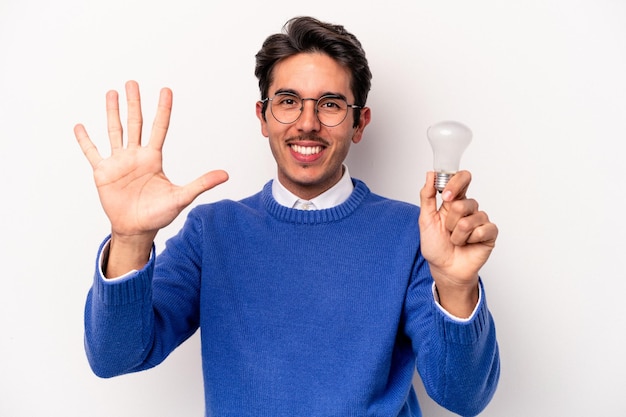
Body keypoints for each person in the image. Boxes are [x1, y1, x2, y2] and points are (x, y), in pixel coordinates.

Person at [75, 16, 500, 417]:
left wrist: (456, 286)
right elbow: (115, 356)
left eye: (330, 104)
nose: (307, 123)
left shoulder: (417, 234)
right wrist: (129, 240)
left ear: (359, 122)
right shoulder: (212, 231)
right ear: (263, 116)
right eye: (288, 101)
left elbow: (463, 395)